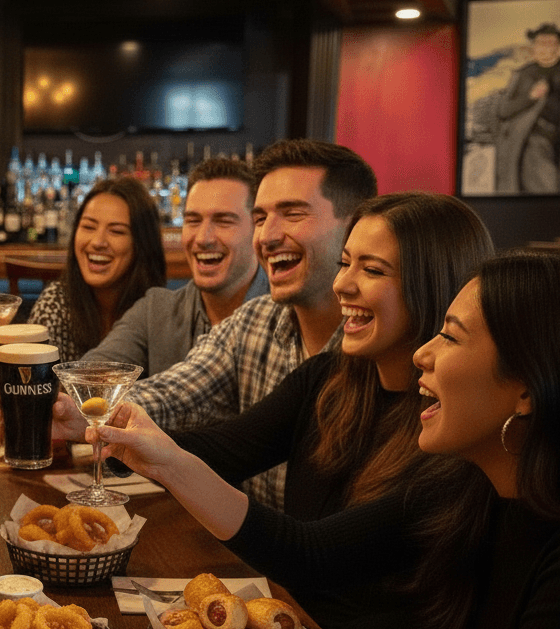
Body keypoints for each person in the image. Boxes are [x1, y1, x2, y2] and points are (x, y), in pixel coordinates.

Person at [93, 193, 494, 629]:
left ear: (434, 287)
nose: (343, 285)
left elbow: (310, 555)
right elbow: (229, 447)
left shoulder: (451, 431)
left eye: (372, 270)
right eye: (346, 263)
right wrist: (126, 446)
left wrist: (168, 464)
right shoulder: (327, 380)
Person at [35, 138, 377, 510]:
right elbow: (174, 393)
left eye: (293, 213)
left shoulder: (381, 342)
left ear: (355, 226)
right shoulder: (253, 321)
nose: (269, 235)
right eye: (262, 218)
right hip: (248, 552)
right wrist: (78, 410)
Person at [350, 251, 560, 629]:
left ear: (527, 389)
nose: (421, 354)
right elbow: (320, 554)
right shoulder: (477, 491)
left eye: (449, 336)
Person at [83, 157, 268, 374]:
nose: (202, 238)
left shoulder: (290, 314)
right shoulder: (155, 312)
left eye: (223, 221)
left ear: (259, 227)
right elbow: (89, 376)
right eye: (193, 220)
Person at [25, 175, 167, 363]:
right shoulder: (55, 304)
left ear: (143, 244)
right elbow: (38, 384)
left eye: (116, 231)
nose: (98, 242)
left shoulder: (159, 313)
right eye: (88, 227)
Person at [495, 22, 560, 194]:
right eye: (539, 43)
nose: (543, 48)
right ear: (533, 47)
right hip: (533, 139)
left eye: (549, 43)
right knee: (546, 186)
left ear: (558, 47)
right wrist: (530, 97)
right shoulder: (524, 74)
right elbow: (503, 110)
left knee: (559, 186)